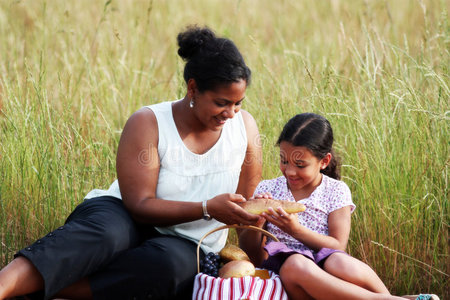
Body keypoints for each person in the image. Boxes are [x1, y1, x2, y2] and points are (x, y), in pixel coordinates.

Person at [0, 25, 262, 300]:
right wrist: (207, 208)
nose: (230, 113)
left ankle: (39, 289)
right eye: (222, 103)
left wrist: (259, 246)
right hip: (123, 214)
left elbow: (244, 209)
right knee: (106, 235)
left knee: (173, 267)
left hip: (187, 243)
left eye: (238, 104)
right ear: (193, 88)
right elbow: (139, 206)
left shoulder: (245, 129)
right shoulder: (149, 122)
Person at [239, 113, 439, 300]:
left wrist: (295, 230)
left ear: (324, 161)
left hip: (328, 269)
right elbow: (252, 254)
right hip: (290, 274)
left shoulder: (336, 190)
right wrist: (257, 219)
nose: (290, 171)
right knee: (295, 264)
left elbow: (338, 245)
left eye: (300, 165)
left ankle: (386, 296)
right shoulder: (268, 188)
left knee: (339, 261)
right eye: (284, 161)